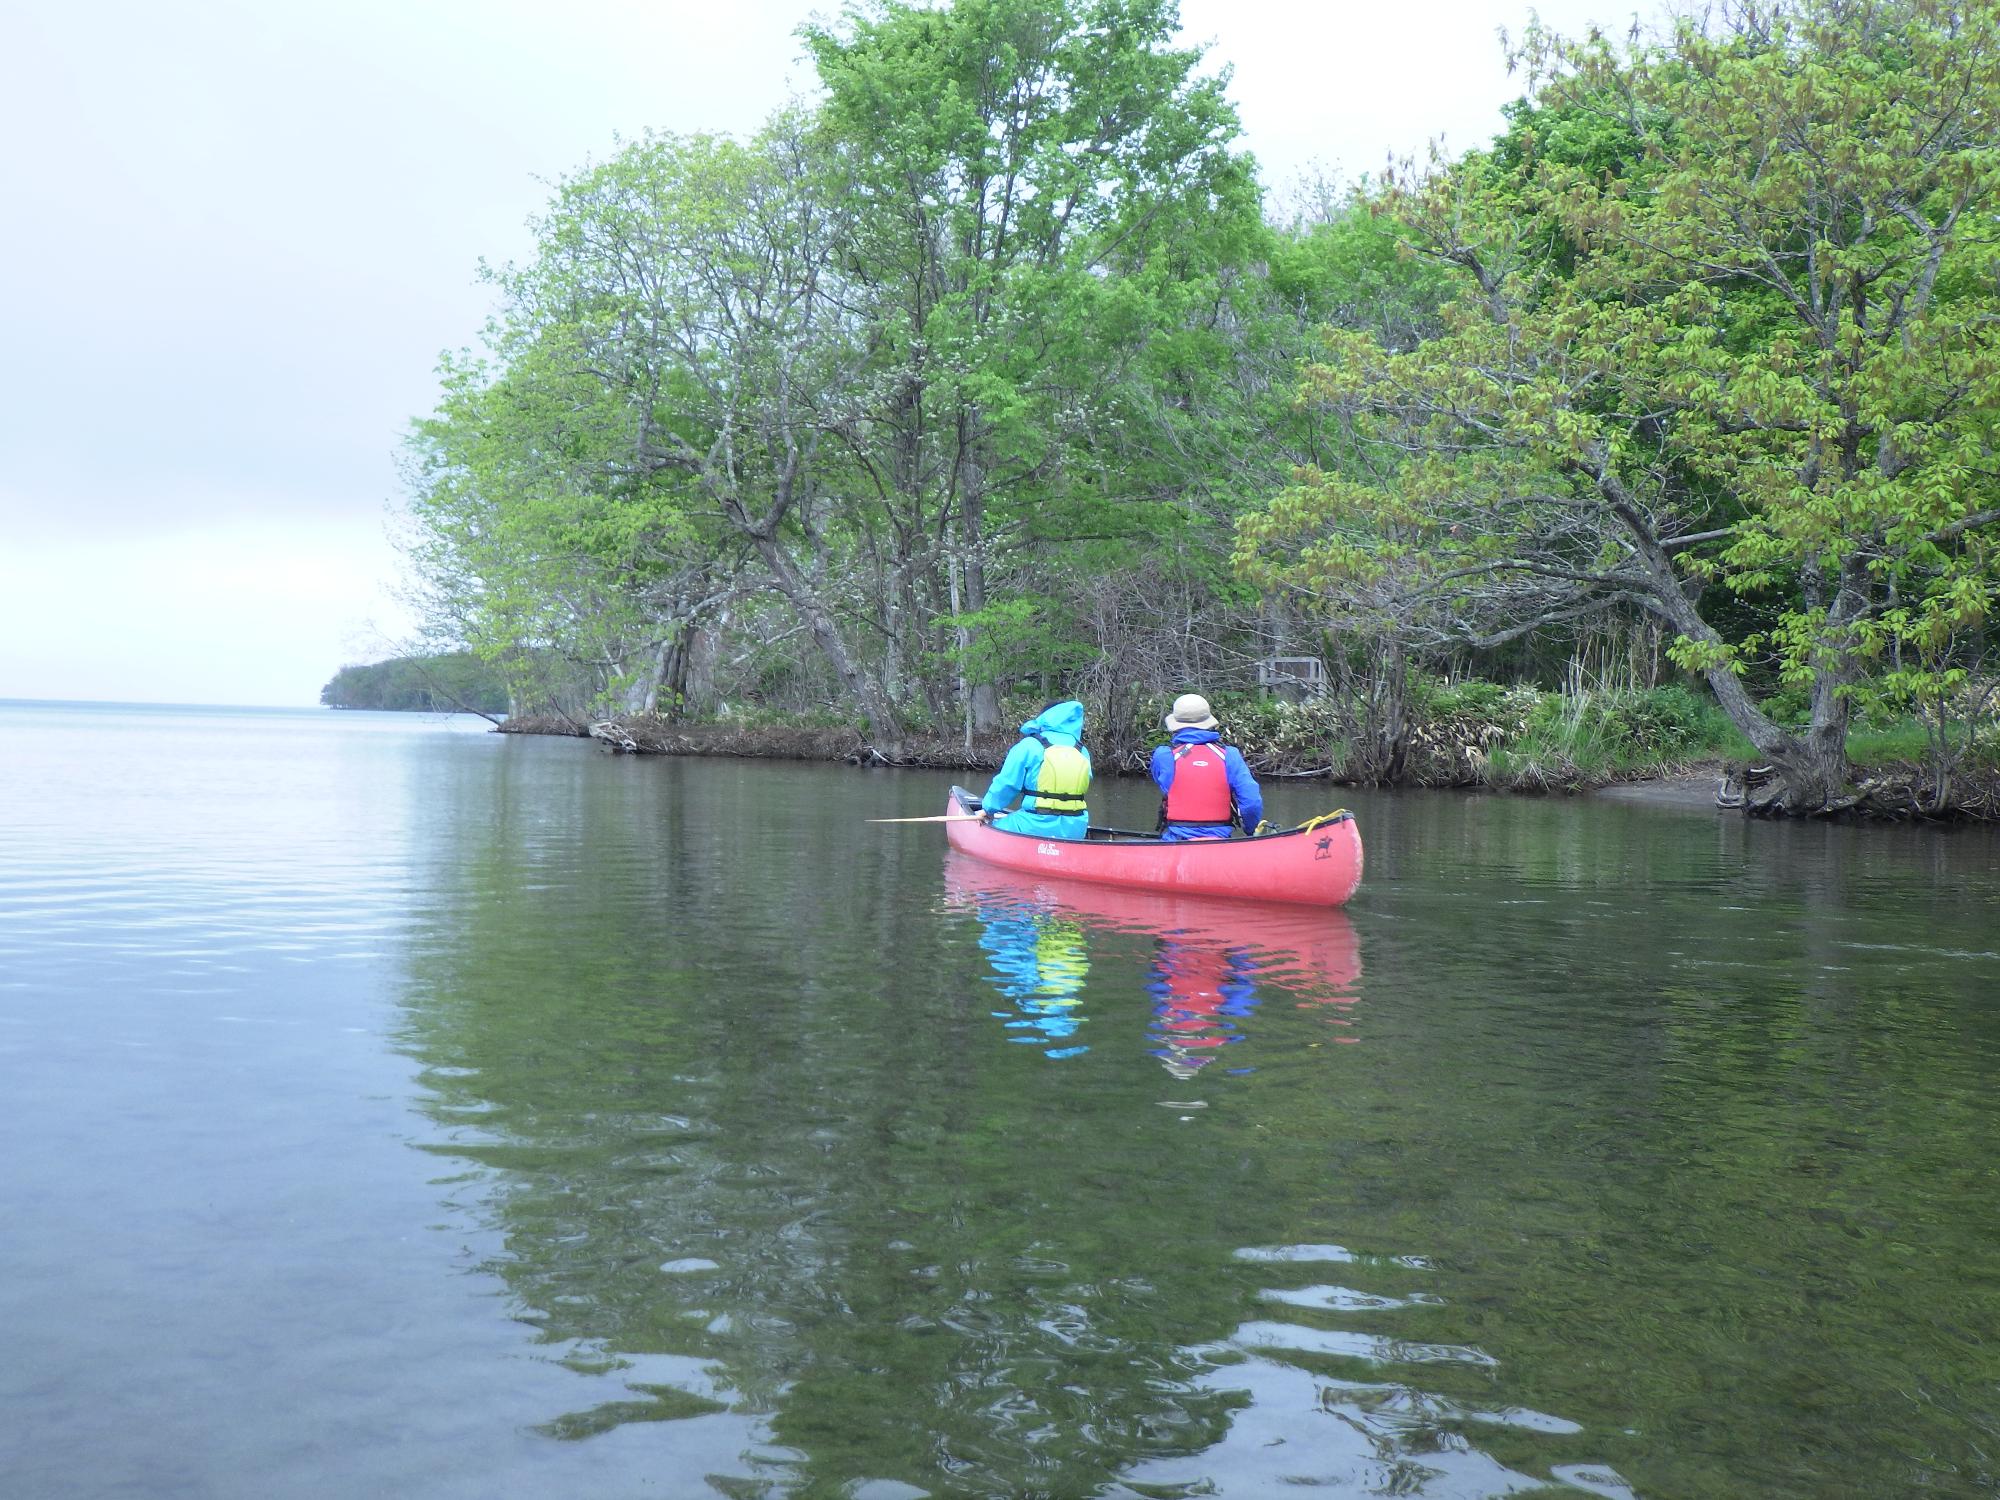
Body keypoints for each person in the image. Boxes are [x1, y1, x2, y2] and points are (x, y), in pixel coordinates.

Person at [1150, 693, 1263, 842]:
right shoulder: (1229, 755)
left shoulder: (1165, 755)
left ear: (1175, 724)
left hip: (1176, 840)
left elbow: (1165, 784)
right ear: (1208, 722)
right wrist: (1250, 831)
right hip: (1220, 840)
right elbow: (1251, 802)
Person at [977, 700, 1092, 839]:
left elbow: (1007, 784)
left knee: (991, 829)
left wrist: (988, 809)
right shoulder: (1081, 750)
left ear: (1044, 718)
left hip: (1034, 826)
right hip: (1075, 828)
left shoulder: (1029, 745)